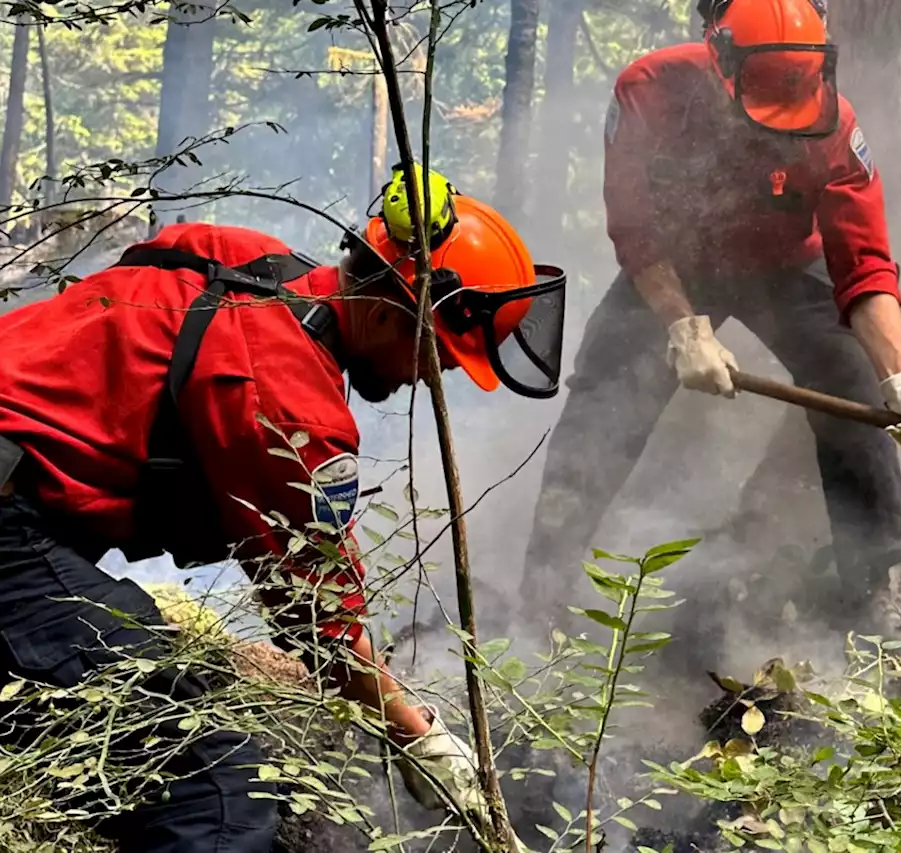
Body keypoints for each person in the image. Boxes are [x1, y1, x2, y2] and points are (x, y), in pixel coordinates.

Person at [0, 163, 566, 852]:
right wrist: (421, 737)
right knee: (216, 790)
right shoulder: (289, 395)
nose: (428, 379)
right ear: (395, 308)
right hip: (9, 530)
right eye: (437, 358)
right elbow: (320, 619)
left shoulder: (239, 255)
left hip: (28, 509)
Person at [519, 0, 901, 651]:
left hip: (787, 262)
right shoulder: (649, 92)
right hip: (676, 262)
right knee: (607, 393)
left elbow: (863, 266)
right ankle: (540, 596)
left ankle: (869, 598)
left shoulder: (837, 126)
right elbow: (636, 232)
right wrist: (682, 327)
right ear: (718, 59)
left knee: (852, 386)